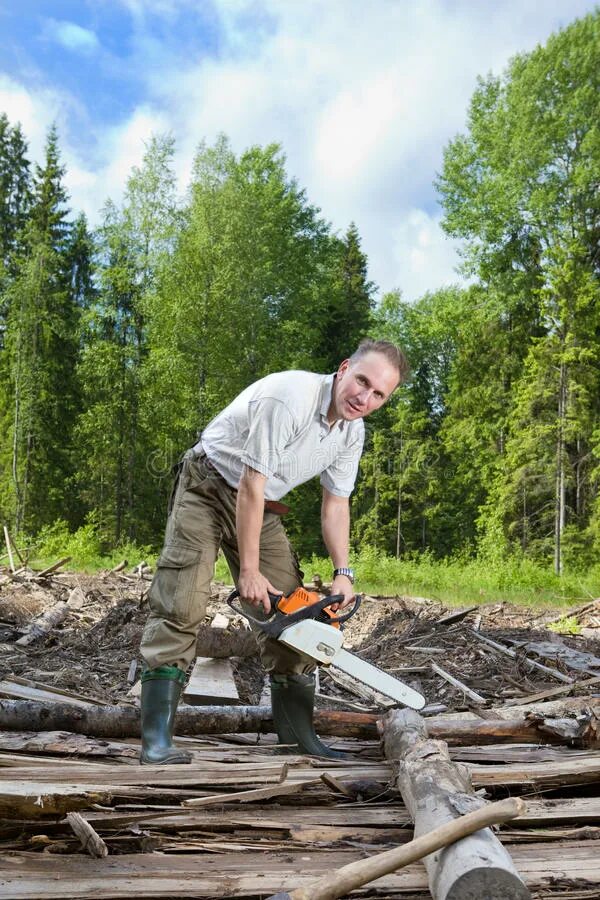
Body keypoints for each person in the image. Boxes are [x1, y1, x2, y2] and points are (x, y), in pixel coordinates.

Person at [139, 338, 408, 764]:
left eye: (379, 394)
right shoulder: (290, 398)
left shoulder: (351, 432)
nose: (364, 397)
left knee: (295, 615)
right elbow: (251, 482)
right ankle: (156, 742)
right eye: (362, 381)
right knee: (182, 602)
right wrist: (248, 570)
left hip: (259, 507)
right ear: (343, 369)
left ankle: (297, 738)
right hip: (207, 486)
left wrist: (344, 572)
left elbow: (336, 502)